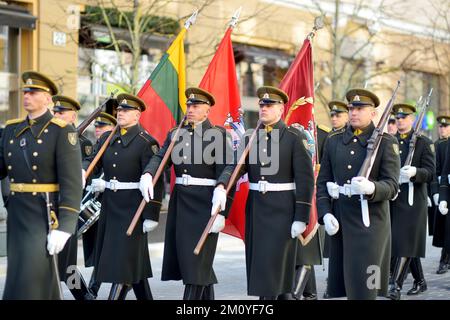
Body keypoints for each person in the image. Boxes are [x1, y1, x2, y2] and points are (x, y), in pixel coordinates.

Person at [215, 86, 314, 299]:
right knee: (261, 269)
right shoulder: (251, 138)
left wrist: (301, 217)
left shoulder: (293, 138)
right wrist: (222, 185)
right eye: (261, 105)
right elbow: (234, 167)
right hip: (257, 211)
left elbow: (305, 181)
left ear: (281, 109)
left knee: (276, 271)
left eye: (269, 105)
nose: (264, 108)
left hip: (282, 211)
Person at [140, 87, 233, 300]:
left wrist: (221, 212)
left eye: (196, 106)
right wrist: (148, 173)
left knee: (196, 261)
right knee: (190, 262)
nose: (190, 109)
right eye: (189, 105)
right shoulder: (176, 133)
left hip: (205, 204)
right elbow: (161, 157)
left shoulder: (217, 135)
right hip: (181, 202)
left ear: (207, 111)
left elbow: (228, 171)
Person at [1, 71, 82, 299]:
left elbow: (72, 183)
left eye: (33, 92)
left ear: (48, 99)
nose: (27, 96)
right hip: (17, 214)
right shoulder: (11, 129)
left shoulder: (61, 131)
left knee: (33, 278)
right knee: (18, 276)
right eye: (25, 92)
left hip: (44, 213)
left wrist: (66, 227)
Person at [317, 88, 400, 300]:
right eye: (351, 108)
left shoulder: (386, 142)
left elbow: (392, 186)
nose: (354, 112)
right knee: (342, 287)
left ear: (373, 113)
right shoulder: (334, 140)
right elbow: (323, 182)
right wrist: (325, 213)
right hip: (341, 221)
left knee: (366, 289)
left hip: (370, 226)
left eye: (360, 108)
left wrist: (372, 188)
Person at [83, 93, 163, 300]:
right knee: (127, 263)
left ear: (137, 115)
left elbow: (156, 180)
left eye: (125, 111)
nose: (120, 113)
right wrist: (82, 173)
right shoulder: (107, 138)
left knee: (125, 263)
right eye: (119, 110)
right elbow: (92, 162)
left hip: (132, 209)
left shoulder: (146, 142)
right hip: (110, 207)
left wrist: (151, 214)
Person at [387, 103, 435, 300]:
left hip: (414, 201)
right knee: (404, 241)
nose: (400, 120)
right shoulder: (390, 141)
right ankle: (420, 281)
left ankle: (395, 286)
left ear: (412, 119)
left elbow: (430, 173)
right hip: (395, 198)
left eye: (404, 117)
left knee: (406, 242)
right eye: (397, 118)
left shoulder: (423, 142)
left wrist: (415, 173)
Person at [51, 95, 95, 300]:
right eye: (55, 112)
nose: (57, 115)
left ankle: (84, 296)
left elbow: (86, 168)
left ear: (73, 116)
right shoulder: (46, 137)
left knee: (66, 266)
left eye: (61, 112)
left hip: (66, 207)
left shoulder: (82, 143)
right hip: (45, 204)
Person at [431, 115, 450, 274]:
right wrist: (435, 191)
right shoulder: (436, 145)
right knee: (444, 227)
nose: (442, 129)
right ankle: (444, 259)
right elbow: (434, 171)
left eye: (445, 126)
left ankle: (445, 259)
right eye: (440, 126)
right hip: (443, 189)